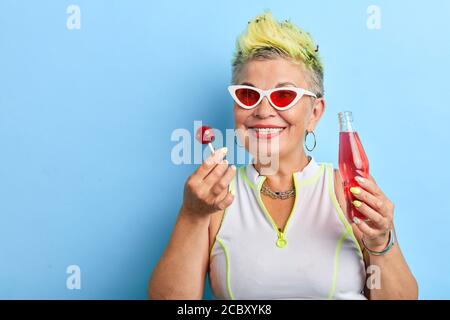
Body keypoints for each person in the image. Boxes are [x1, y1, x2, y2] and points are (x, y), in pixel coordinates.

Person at [149, 11, 418, 299]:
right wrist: (191, 215)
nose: (263, 112)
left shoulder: (347, 191)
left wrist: (380, 240)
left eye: (283, 96)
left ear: (314, 113)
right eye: (249, 96)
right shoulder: (212, 201)